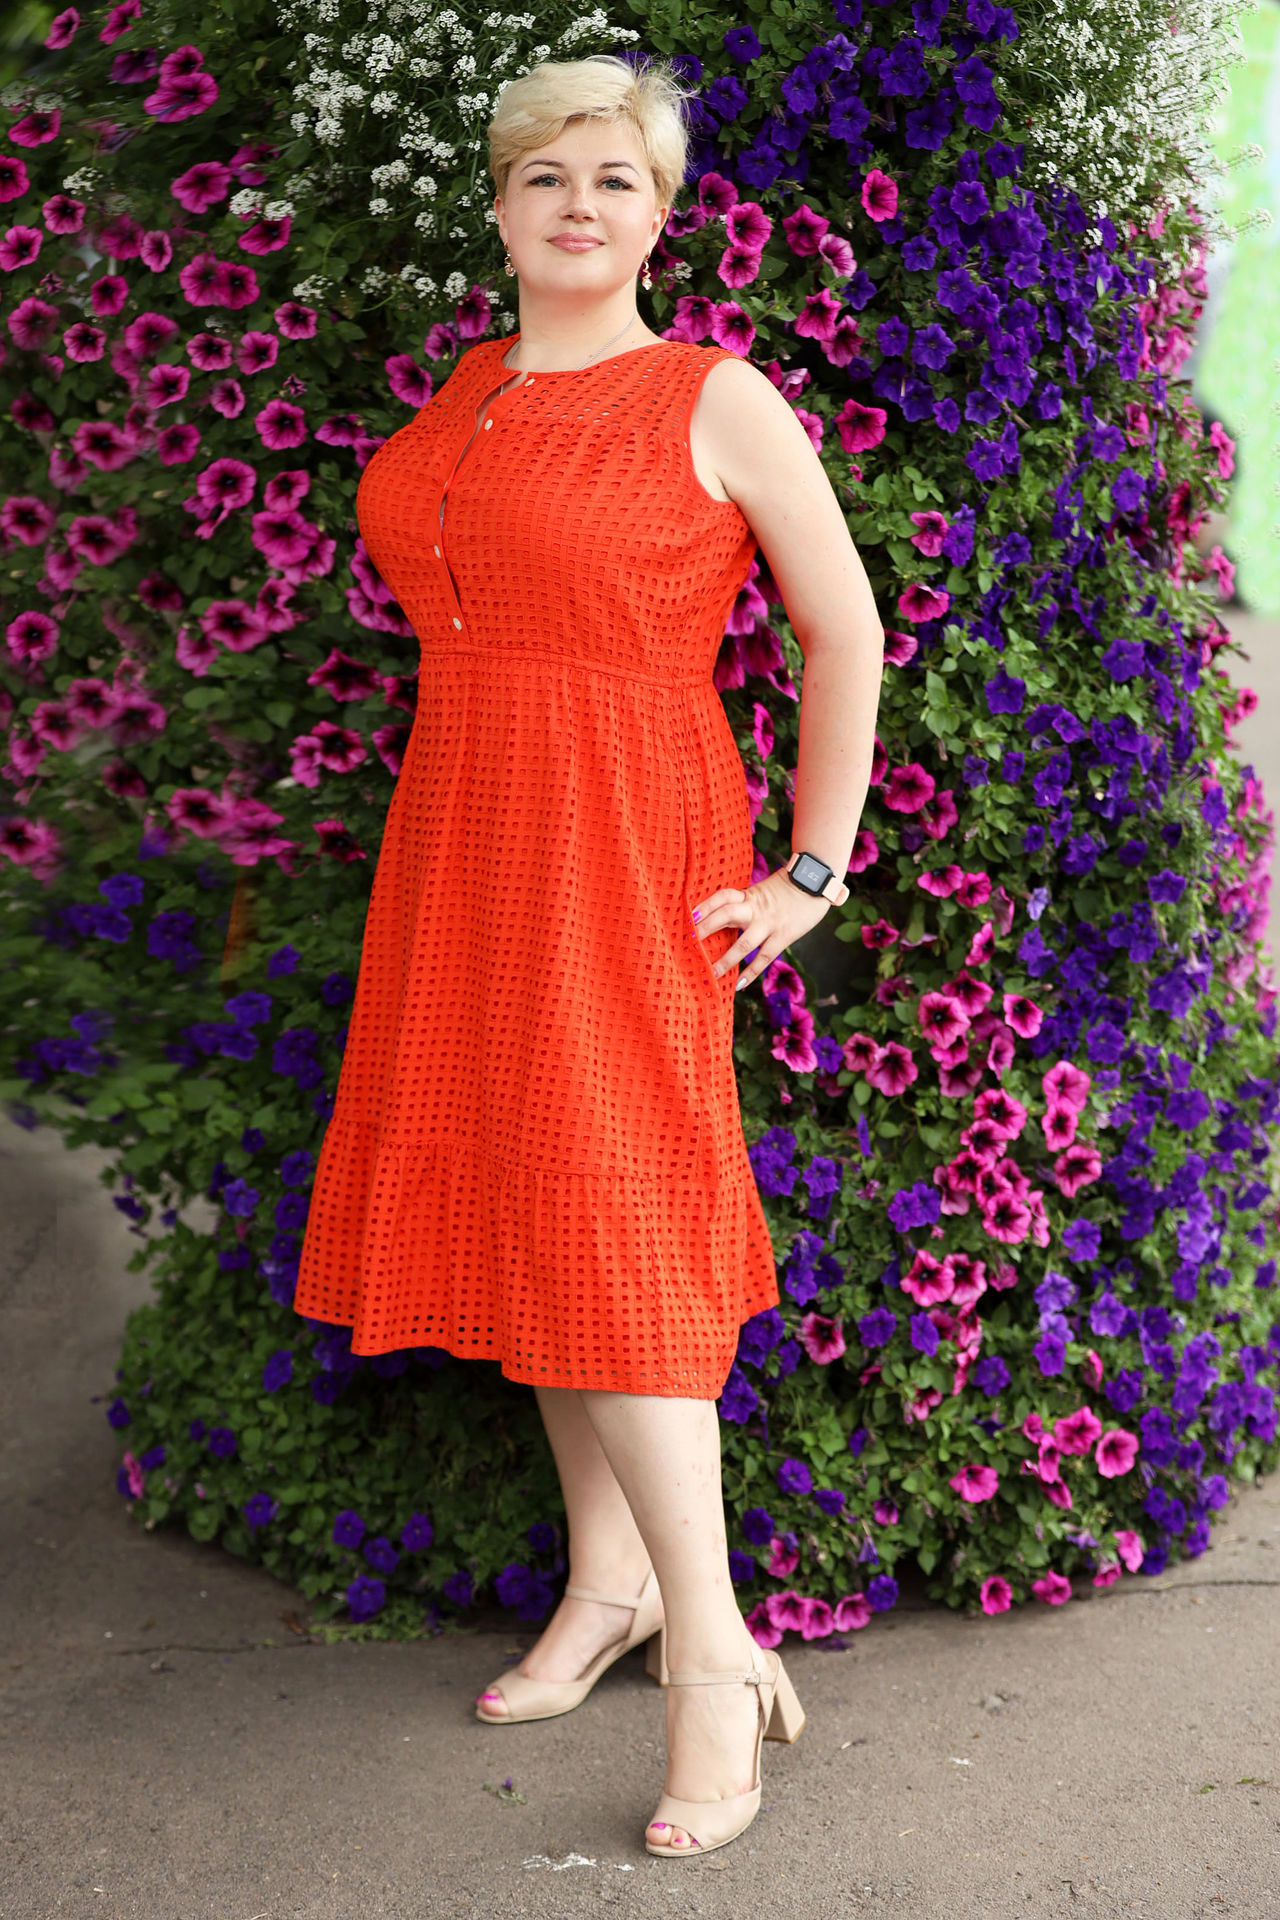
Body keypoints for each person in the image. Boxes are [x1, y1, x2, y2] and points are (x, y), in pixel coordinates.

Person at [292, 51, 884, 1859]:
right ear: (497, 203)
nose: (578, 204)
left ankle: (714, 1657)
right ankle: (610, 1588)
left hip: (624, 835)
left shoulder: (713, 395)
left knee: (611, 1218)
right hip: (466, 829)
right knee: (535, 1201)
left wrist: (813, 868)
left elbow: (844, 628)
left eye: (615, 179)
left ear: (661, 214)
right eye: (546, 175)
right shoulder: (469, 386)